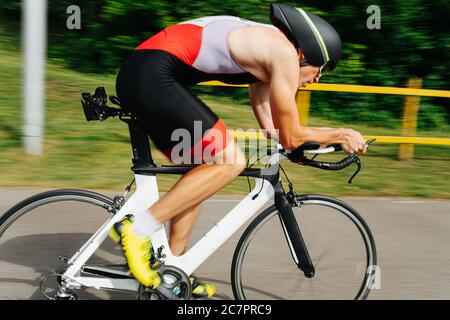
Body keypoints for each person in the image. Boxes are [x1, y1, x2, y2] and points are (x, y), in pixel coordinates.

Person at [110, 3, 367, 298]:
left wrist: (293, 145)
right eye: (321, 69)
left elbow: (275, 128)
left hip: (145, 74)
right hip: (152, 76)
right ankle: (137, 229)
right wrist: (339, 134)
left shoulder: (268, 51)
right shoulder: (282, 53)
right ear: (304, 54)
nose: (318, 78)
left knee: (204, 172)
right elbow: (292, 134)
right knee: (230, 161)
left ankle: (173, 270)